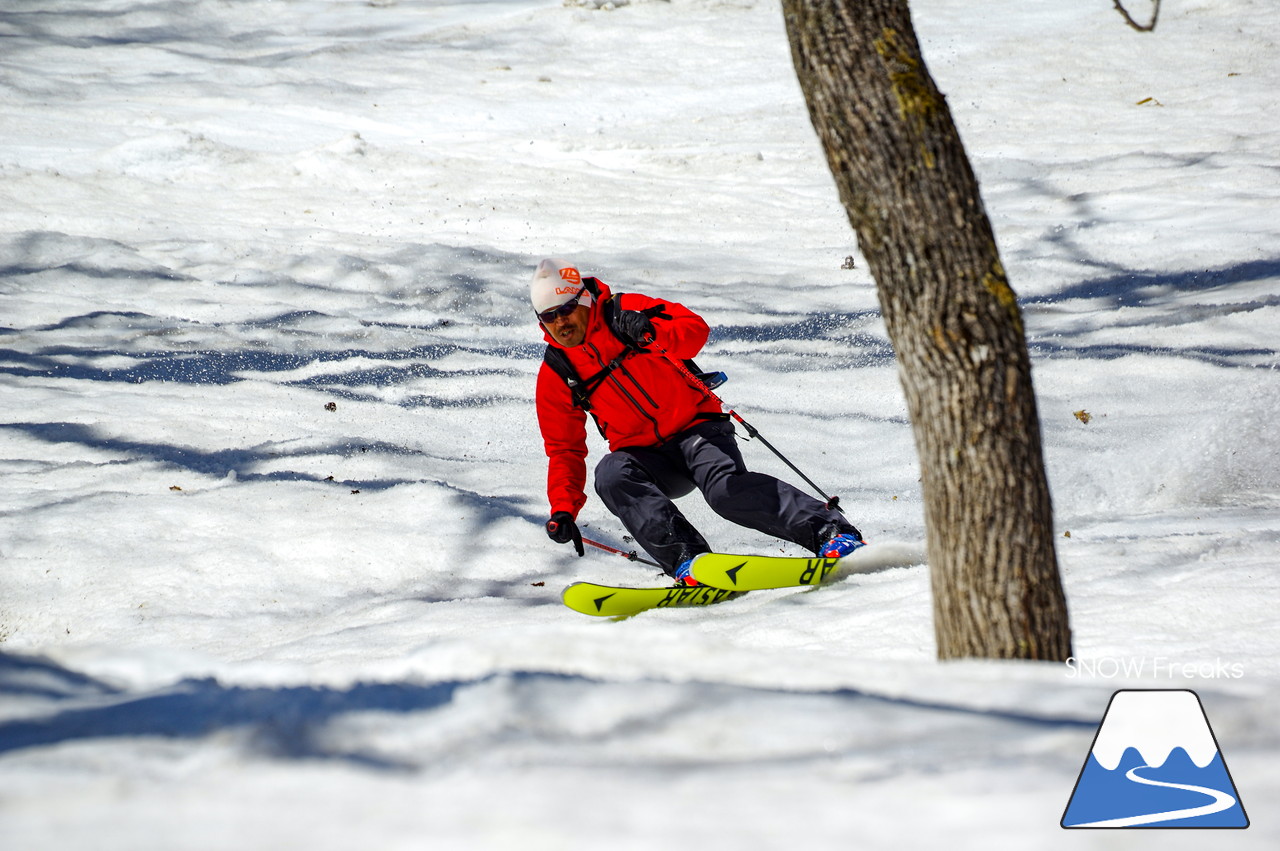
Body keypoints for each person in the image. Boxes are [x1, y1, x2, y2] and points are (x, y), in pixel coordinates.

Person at [531, 258, 863, 585]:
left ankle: (831, 533)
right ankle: (690, 564)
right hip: (647, 458)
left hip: (698, 428)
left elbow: (695, 330)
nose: (560, 322)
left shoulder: (626, 310)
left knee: (725, 491)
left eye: (565, 309)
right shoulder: (558, 371)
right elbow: (564, 449)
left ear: (584, 300)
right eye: (549, 316)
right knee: (611, 474)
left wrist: (651, 330)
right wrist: (563, 508)